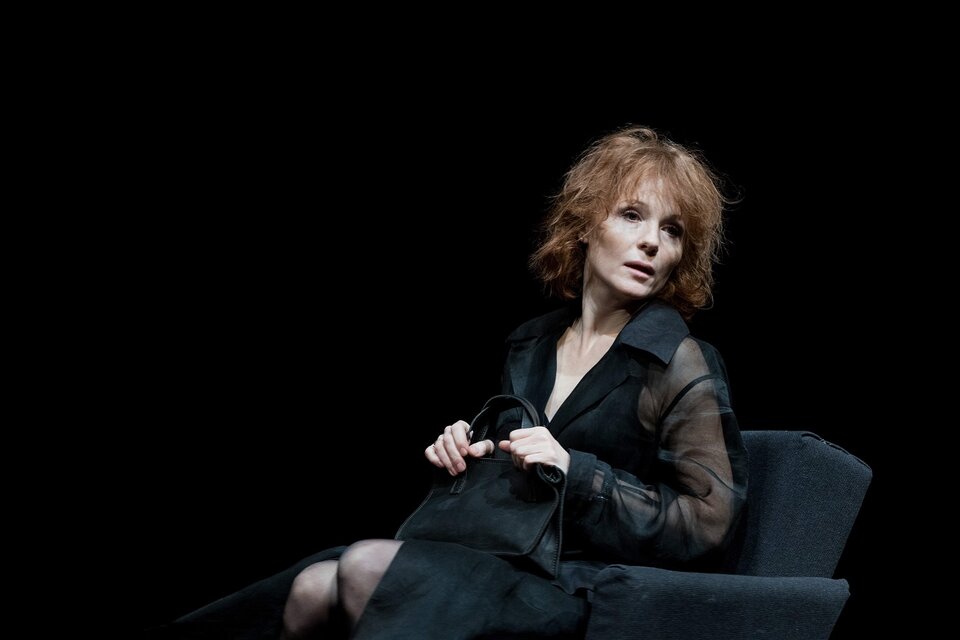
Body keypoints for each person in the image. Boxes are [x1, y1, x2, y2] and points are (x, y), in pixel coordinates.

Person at [156, 126, 748, 639]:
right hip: (493, 557)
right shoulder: (532, 344)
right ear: (585, 226)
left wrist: (577, 472)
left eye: (672, 230)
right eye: (632, 215)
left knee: (365, 567)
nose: (652, 242)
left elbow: (709, 525)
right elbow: (516, 484)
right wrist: (469, 455)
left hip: (577, 585)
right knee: (313, 584)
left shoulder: (677, 359)